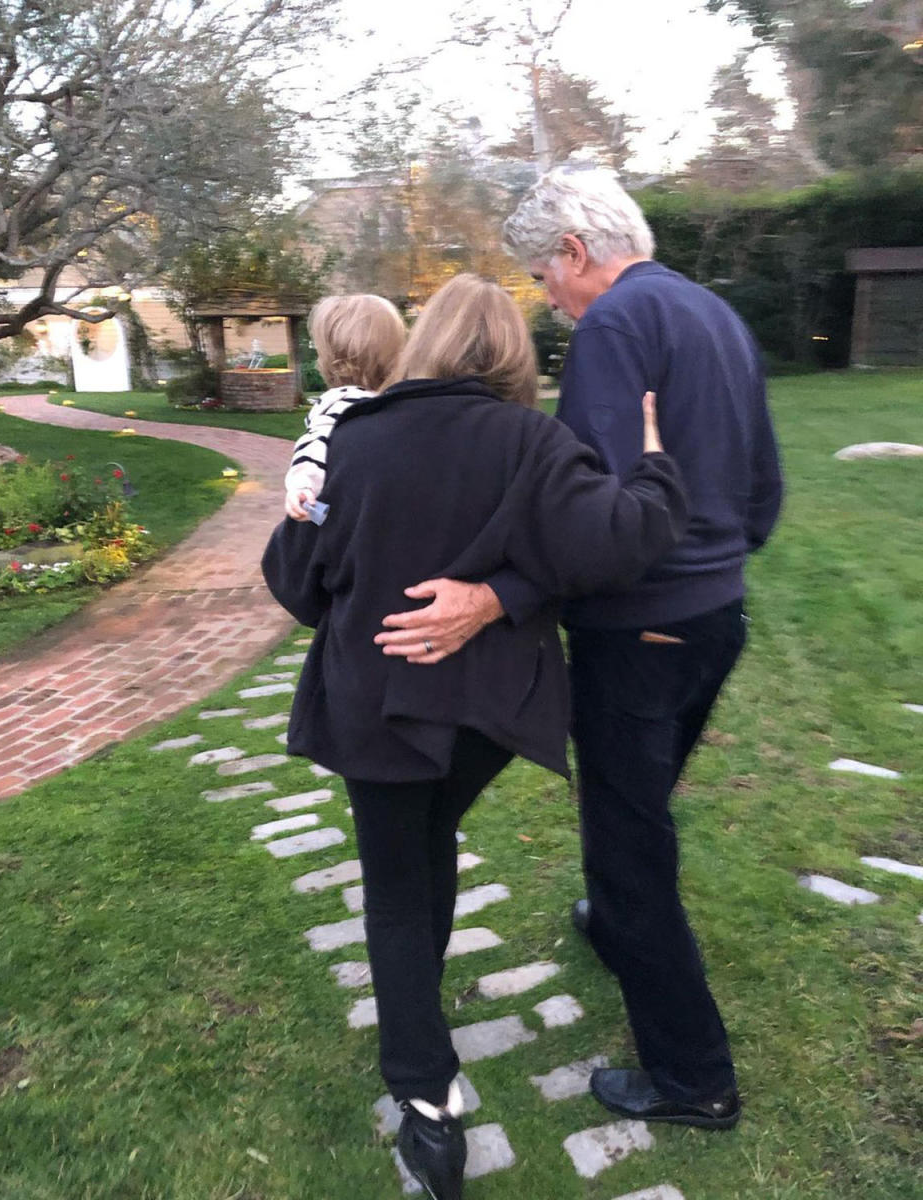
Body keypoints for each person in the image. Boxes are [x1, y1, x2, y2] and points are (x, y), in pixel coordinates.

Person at [261, 273, 688, 1200]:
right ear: (513, 355)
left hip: (375, 706)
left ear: (427, 344)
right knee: (423, 848)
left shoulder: (353, 440)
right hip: (482, 716)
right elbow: (619, 541)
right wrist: (657, 464)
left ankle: (424, 1103)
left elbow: (295, 587)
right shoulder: (538, 441)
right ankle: (423, 1022)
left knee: (396, 880)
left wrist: (306, 505)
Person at [374, 170, 784, 1132]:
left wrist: (495, 596)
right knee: (638, 814)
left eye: (542, 277)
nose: (548, 303)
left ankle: (695, 1080)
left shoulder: (615, 326)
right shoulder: (712, 312)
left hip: (640, 630)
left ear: (574, 250)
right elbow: (762, 490)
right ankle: (611, 931)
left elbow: (582, 525)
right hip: (716, 617)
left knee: (628, 852)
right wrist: (715, 571)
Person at [284, 293, 406, 521]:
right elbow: (314, 445)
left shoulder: (346, 402)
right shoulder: (353, 403)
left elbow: (314, 443)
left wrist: (303, 487)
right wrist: (304, 486)